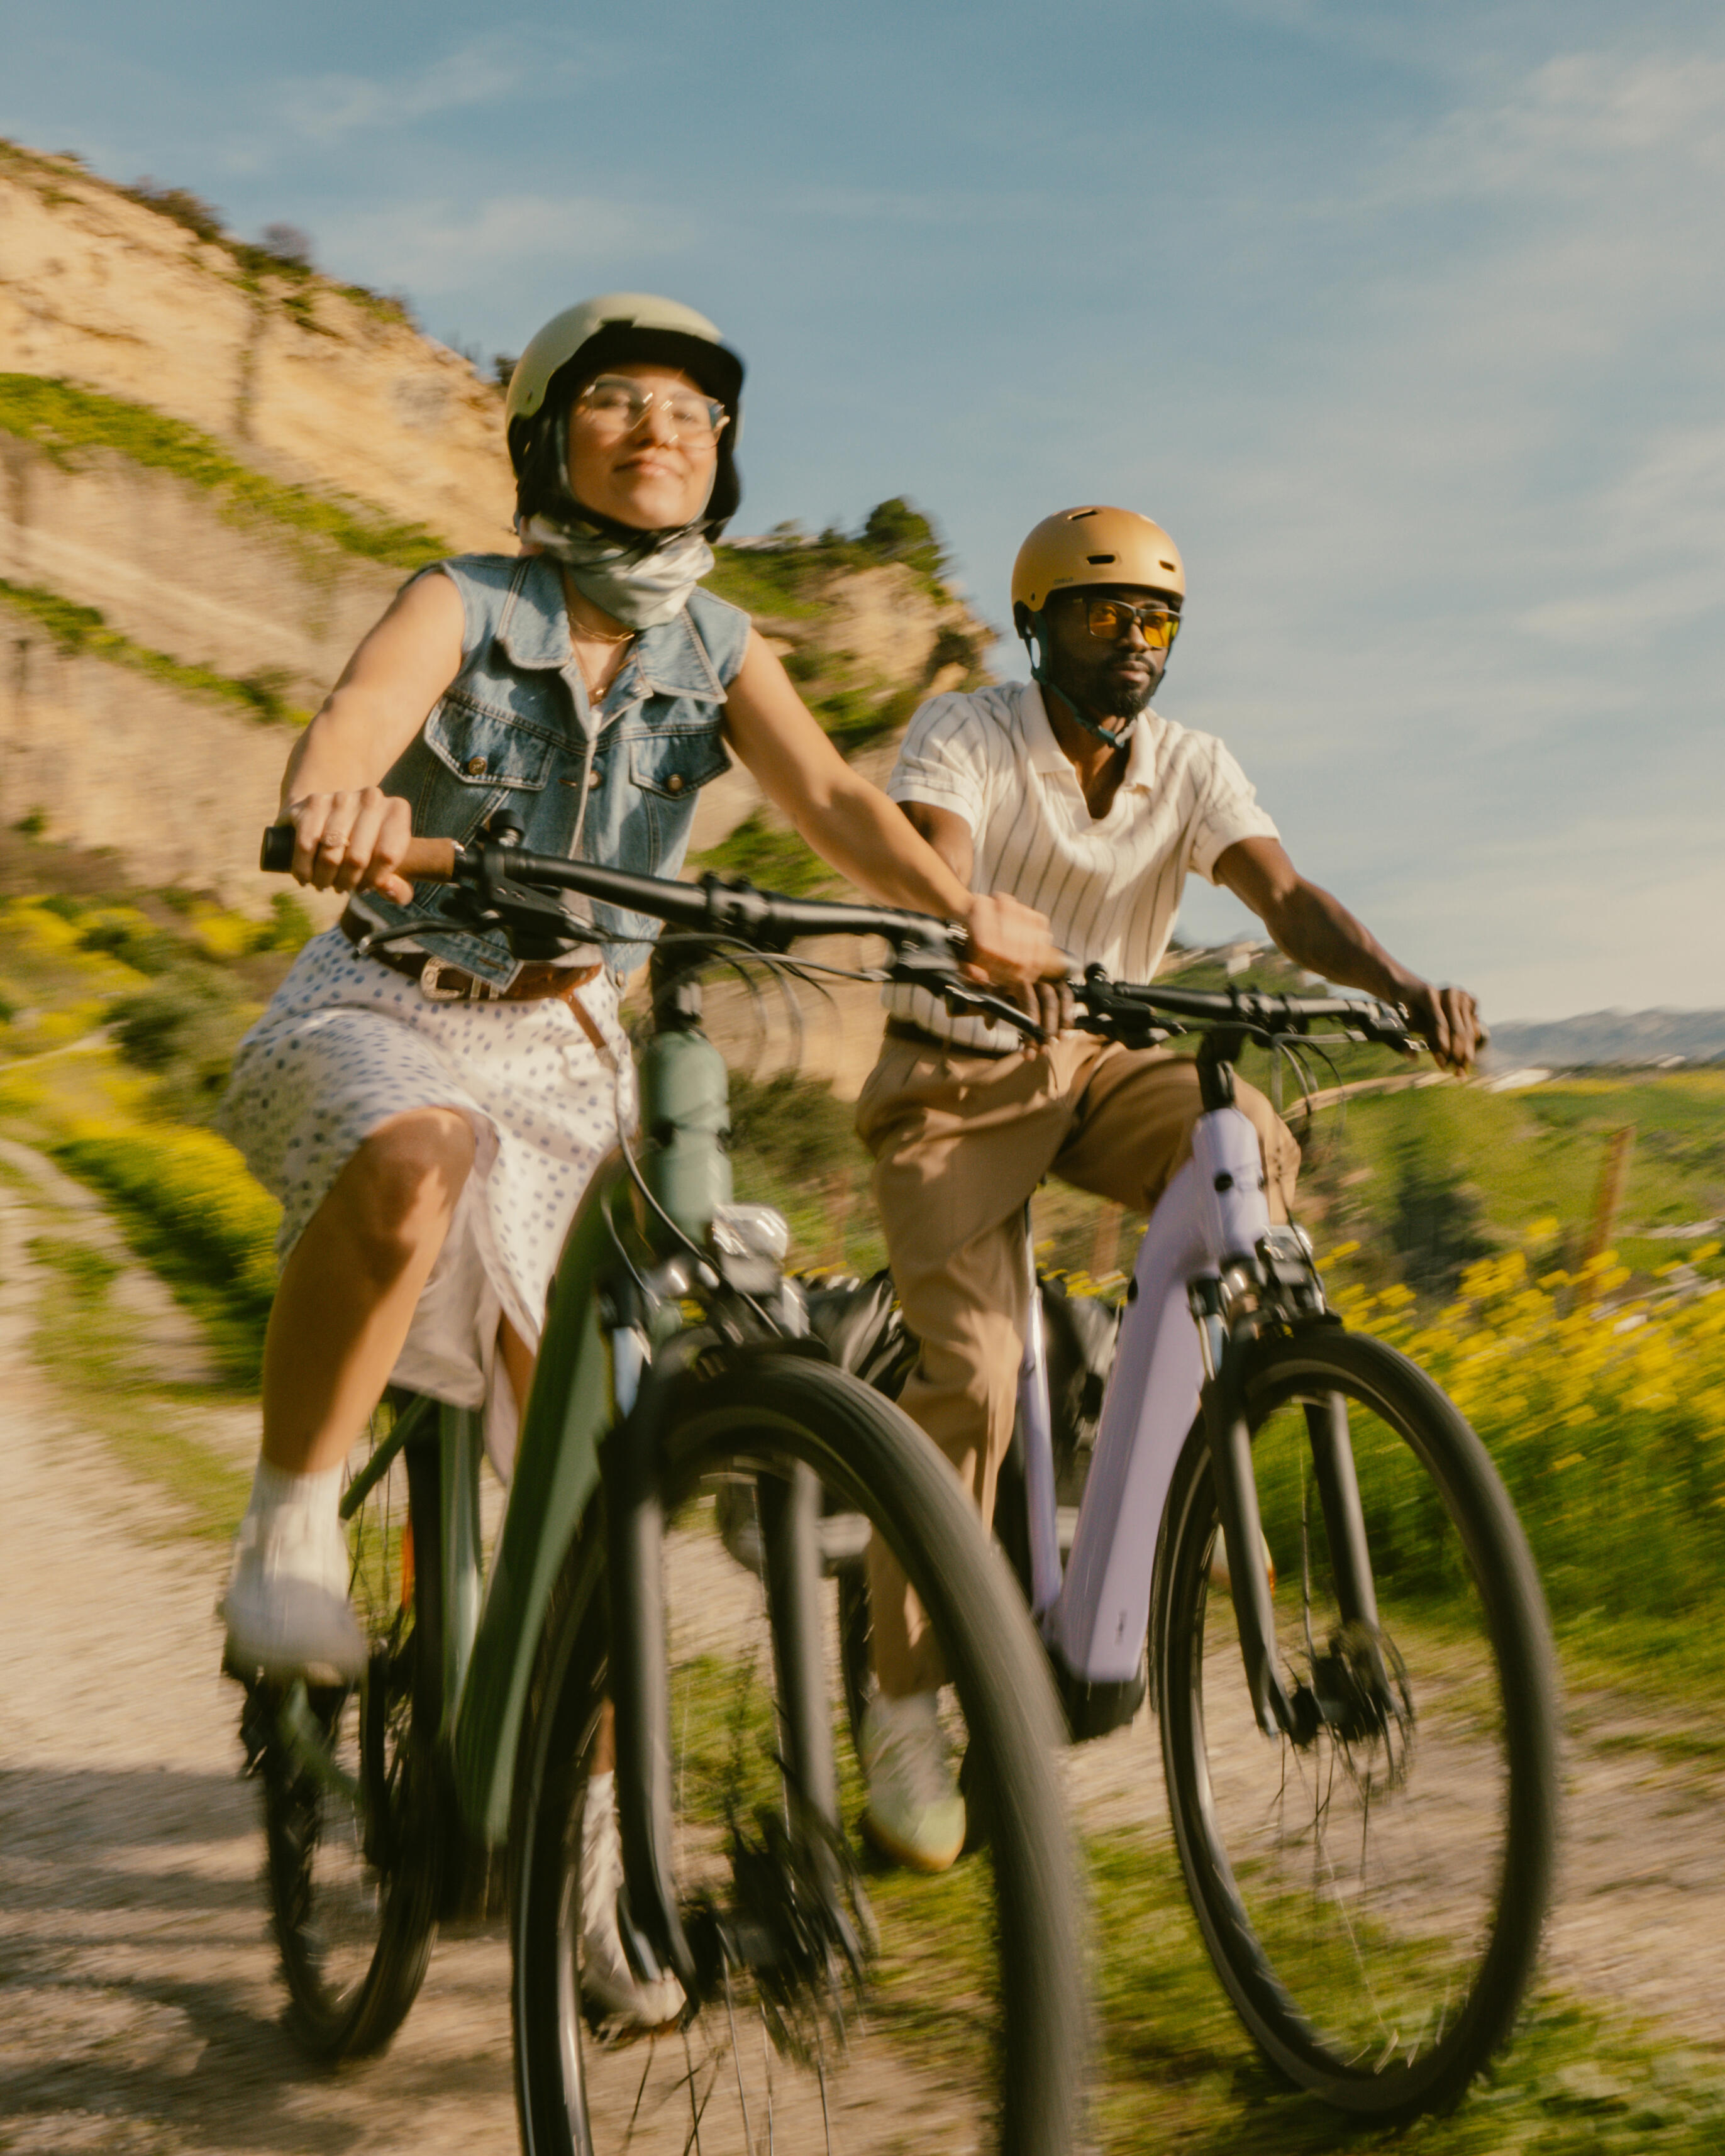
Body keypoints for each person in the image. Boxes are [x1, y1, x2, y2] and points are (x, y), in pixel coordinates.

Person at [213, 293, 1060, 2020]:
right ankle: (292, 1529)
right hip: (388, 998)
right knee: (418, 1153)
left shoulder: (728, 645)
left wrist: (962, 907)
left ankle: (596, 1873)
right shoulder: (467, 597)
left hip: (571, 1042)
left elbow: (831, 800)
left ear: (722, 457)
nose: (660, 428)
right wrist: (346, 804)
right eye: (617, 401)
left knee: (594, 1491)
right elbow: (358, 722)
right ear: (549, 438)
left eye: (692, 409)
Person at [853, 504, 1483, 1872]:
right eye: (1100, 613)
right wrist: (970, 931)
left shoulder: (1191, 764)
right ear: (1038, 624)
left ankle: (1180, 1449)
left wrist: (1395, 982)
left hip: (1096, 1059)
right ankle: (902, 1708)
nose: (1132, 639)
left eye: (1155, 619)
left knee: (1242, 1139)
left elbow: (1286, 896)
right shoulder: (967, 732)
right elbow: (934, 857)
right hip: (955, 1076)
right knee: (966, 1374)